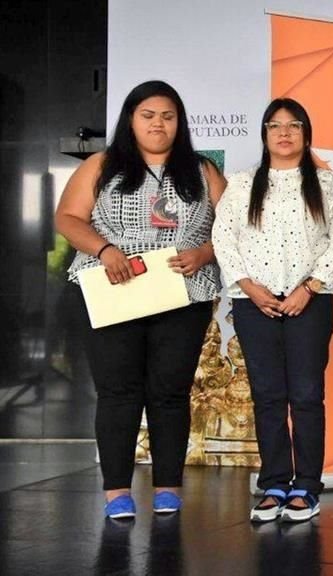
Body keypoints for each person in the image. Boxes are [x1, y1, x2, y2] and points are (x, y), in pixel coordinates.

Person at [55, 80, 225, 518]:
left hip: (182, 293)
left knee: (170, 392)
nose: (158, 124)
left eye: (168, 116)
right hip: (113, 288)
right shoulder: (102, 164)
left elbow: (231, 229)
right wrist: (105, 250)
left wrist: (205, 252)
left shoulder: (202, 170)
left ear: (179, 123)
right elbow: (68, 217)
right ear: (131, 119)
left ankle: (169, 487)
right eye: (148, 115)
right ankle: (117, 493)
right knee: (118, 392)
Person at [212, 98, 333, 524]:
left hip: (309, 303)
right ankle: (274, 483)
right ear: (264, 134)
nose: (284, 133)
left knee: (307, 396)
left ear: (306, 133)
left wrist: (309, 289)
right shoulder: (241, 184)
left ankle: (308, 486)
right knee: (268, 395)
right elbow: (224, 239)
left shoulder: (327, 186)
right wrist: (251, 290)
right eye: (275, 126)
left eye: (293, 125)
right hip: (255, 303)